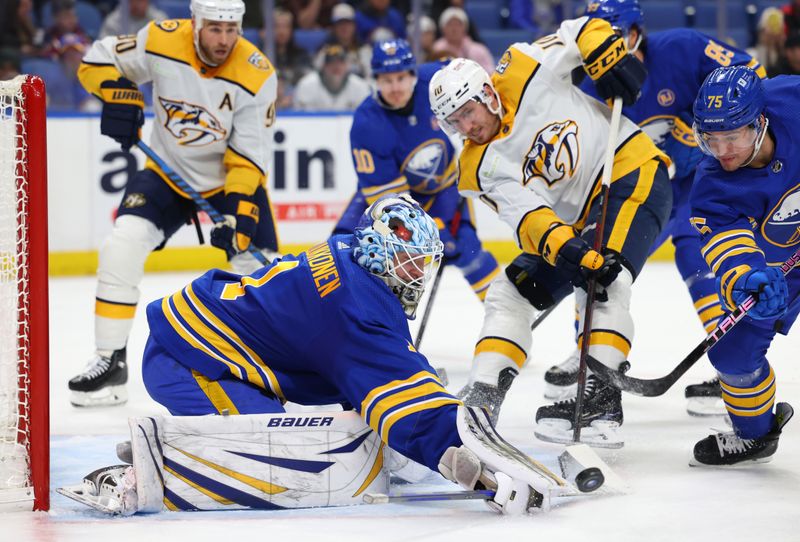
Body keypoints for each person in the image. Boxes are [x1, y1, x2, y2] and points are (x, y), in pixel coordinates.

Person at [59, 196, 572, 515]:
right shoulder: (354, 306)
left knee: (339, 413)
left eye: (424, 266)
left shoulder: (352, 251)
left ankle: (181, 445)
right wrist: (461, 456)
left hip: (199, 334)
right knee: (279, 452)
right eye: (412, 265)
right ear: (385, 256)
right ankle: (156, 464)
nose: (418, 277)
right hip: (188, 360)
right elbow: (395, 395)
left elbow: (380, 360)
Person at [429, 15, 673, 448]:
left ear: (486, 94)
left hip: (628, 170)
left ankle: (601, 399)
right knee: (510, 293)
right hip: (576, 220)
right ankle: (483, 398)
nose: (466, 127)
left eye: (467, 112)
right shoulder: (476, 168)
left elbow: (578, 31)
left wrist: (603, 52)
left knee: (605, 282)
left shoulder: (522, 68)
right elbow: (529, 218)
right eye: (455, 121)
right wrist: (569, 250)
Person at [545, 0, 767, 418]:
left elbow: (749, 76)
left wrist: (700, 125)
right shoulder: (589, 88)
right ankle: (591, 358)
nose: (604, 50)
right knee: (595, 262)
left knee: (696, 254)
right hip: (647, 189)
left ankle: (730, 363)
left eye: (613, 39)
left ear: (633, 33)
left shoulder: (682, 47)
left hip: (706, 179)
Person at [70, 0, 281, 407]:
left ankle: (267, 366)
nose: (224, 40)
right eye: (215, 29)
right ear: (196, 23)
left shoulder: (257, 73)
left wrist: (240, 211)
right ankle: (110, 362)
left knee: (259, 274)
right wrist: (118, 91)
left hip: (227, 179)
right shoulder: (162, 39)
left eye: (231, 29)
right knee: (122, 245)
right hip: (167, 172)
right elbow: (95, 60)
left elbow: (248, 156)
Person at [333, 39, 499, 303]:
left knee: (468, 250)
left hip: (445, 190)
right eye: (387, 80)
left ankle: (501, 315)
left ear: (414, 74)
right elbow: (392, 204)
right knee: (345, 249)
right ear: (374, 80)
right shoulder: (367, 124)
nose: (395, 87)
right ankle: (359, 320)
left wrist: (445, 223)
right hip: (391, 200)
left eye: (401, 77)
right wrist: (433, 230)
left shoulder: (436, 81)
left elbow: (480, 79)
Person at [688, 65, 797, 466]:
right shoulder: (712, 183)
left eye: (732, 136)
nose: (722, 151)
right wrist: (748, 278)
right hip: (781, 266)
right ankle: (756, 436)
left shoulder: (793, 99)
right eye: (711, 139)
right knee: (731, 356)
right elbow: (724, 240)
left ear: (759, 121)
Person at [294, 43, 371, 111]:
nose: (336, 67)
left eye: (340, 62)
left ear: (347, 65)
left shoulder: (360, 86)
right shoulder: (307, 85)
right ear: (323, 66)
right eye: (331, 62)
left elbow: (366, 115)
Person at [432, 7, 494, 74]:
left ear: (465, 28)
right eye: (450, 24)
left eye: (458, 24)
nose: (454, 29)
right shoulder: (436, 49)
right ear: (443, 28)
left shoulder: (479, 50)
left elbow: (491, 72)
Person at [98, 0, 169, 39]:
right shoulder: (113, 21)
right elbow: (104, 50)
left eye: (141, 1)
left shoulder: (160, 19)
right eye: (135, 1)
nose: (138, 4)